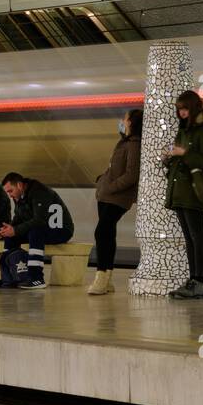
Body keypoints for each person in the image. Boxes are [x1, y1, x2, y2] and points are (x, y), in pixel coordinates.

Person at [164, 91, 203, 300]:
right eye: (179, 110)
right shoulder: (184, 130)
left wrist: (183, 154)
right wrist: (169, 157)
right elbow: (179, 154)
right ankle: (193, 280)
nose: (182, 113)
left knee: (197, 237)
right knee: (189, 238)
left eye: (185, 109)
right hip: (178, 190)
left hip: (193, 191)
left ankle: (199, 282)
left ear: (194, 108)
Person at [0, 172, 74, 291]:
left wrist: (15, 230)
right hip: (44, 228)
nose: (10, 195)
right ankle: (9, 277)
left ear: (19, 185)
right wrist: (8, 229)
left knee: (35, 231)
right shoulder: (19, 195)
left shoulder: (39, 192)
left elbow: (39, 220)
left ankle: (37, 278)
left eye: (10, 191)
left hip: (61, 230)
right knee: (10, 236)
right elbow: (19, 217)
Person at [88, 109, 142, 295]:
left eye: (125, 118)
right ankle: (106, 279)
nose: (122, 121)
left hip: (117, 196)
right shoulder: (123, 142)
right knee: (107, 233)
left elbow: (132, 174)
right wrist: (102, 180)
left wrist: (110, 186)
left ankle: (101, 277)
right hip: (106, 194)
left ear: (132, 122)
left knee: (101, 231)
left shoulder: (134, 145)